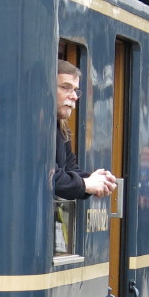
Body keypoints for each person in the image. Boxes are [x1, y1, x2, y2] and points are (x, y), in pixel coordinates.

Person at [52, 60, 116, 199]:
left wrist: (96, 181)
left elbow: (68, 168)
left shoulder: (61, 127)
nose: (74, 96)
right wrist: (85, 183)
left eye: (75, 90)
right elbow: (47, 176)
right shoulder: (33, 128)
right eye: (65, 87)